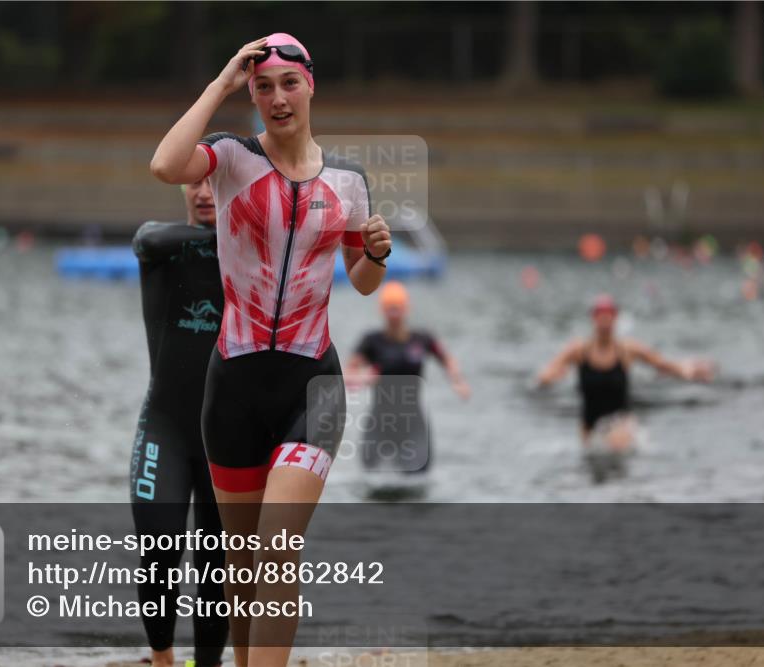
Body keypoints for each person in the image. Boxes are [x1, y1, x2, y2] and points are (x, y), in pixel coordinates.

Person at [149, 33, 390, 667]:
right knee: (243, 567)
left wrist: (376, 254)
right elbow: (166, 166)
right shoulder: (230, 158)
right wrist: (221, 82)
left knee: (279, 545)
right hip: (231, 388)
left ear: (312, 86)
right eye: (262, 87)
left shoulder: (348, 181)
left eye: (289, 84)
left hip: (313, 384)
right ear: (250, 94)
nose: (277, 98)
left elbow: (362, 282)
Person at [129, 177, 228, 667]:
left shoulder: (248, 260)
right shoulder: (161, 247)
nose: (205, 191)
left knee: (217, 567)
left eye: (217, 182)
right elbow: (145, 237)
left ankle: (207, 665)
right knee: (158, 549)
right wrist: (232, 233)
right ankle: (163, 659)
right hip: (164, 426)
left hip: (227, 438)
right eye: (195, 182)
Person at [536, 293, 715, 456]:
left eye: (609, 317)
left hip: (620, 420)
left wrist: (688, 371)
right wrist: (550, 377)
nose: (605, 323)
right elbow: (547, 372)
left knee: (616, 449)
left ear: (615, 319)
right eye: (601, 317)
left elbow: (662, 364)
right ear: (594, 319)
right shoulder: (579, 350)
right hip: (589, 424)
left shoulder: (628, 349)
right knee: (591, 460)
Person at [343, 281, 470, 476]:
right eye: (389, 310)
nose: (394, 315)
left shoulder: (421, 339)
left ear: (406, 309)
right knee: (370, 476)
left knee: (418, 477)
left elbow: (447, 359)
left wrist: (457, 382)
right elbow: (347, 374)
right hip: (380, 421)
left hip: (413, 422)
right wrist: (364, 378)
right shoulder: (372, 341)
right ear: (382, 311)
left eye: (398, 309)